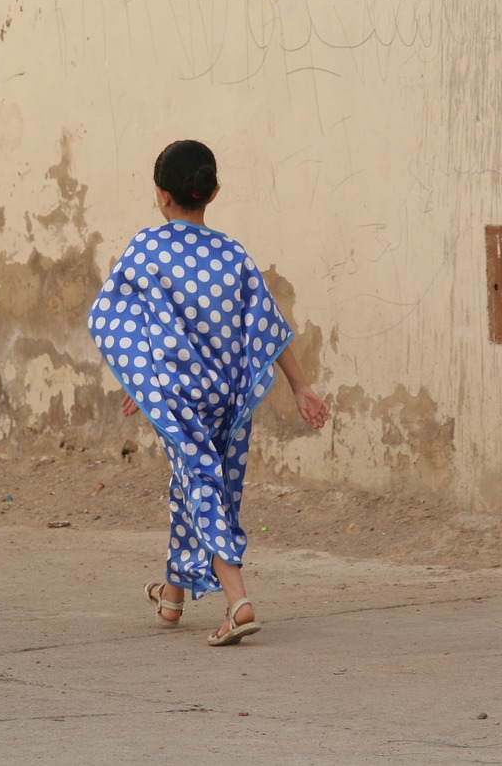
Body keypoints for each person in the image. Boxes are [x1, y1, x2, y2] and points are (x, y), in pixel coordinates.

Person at [88, 139, 329, 646]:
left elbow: (113, 319)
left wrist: (143, 381)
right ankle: (173, 597)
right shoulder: (233, 255)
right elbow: (268, 327)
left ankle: (238, 601)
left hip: (178, 399)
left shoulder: (146, 250)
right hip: (226, 399)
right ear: (214, 191)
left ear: (161, 195)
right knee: (197, 486)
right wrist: (301, 386)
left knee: (200, 484)